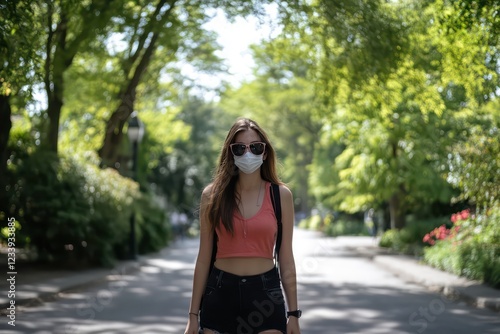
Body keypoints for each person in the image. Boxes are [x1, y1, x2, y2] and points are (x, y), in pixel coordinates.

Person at [184, 118, 301, 334]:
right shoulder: (212, 195)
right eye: (240, 148)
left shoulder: (280, 195)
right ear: (231, 153)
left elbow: (286, 257)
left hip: (265, 295)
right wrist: (192, 315)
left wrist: (293, 314)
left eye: (256, 147)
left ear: (265, 153)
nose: (248, 154)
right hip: (220, 293)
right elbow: (203, 258)